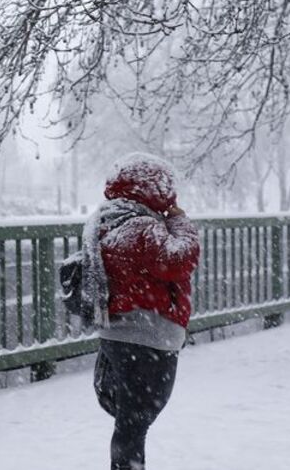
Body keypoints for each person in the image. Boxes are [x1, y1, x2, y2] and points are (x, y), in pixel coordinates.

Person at [81, 153, 201, 470]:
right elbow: (178, 259)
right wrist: (179, 221)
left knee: (129, 416)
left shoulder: (104, 222)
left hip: (116, 333)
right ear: (153, 190)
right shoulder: (143, 227)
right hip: (148, 335)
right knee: (137, 420)